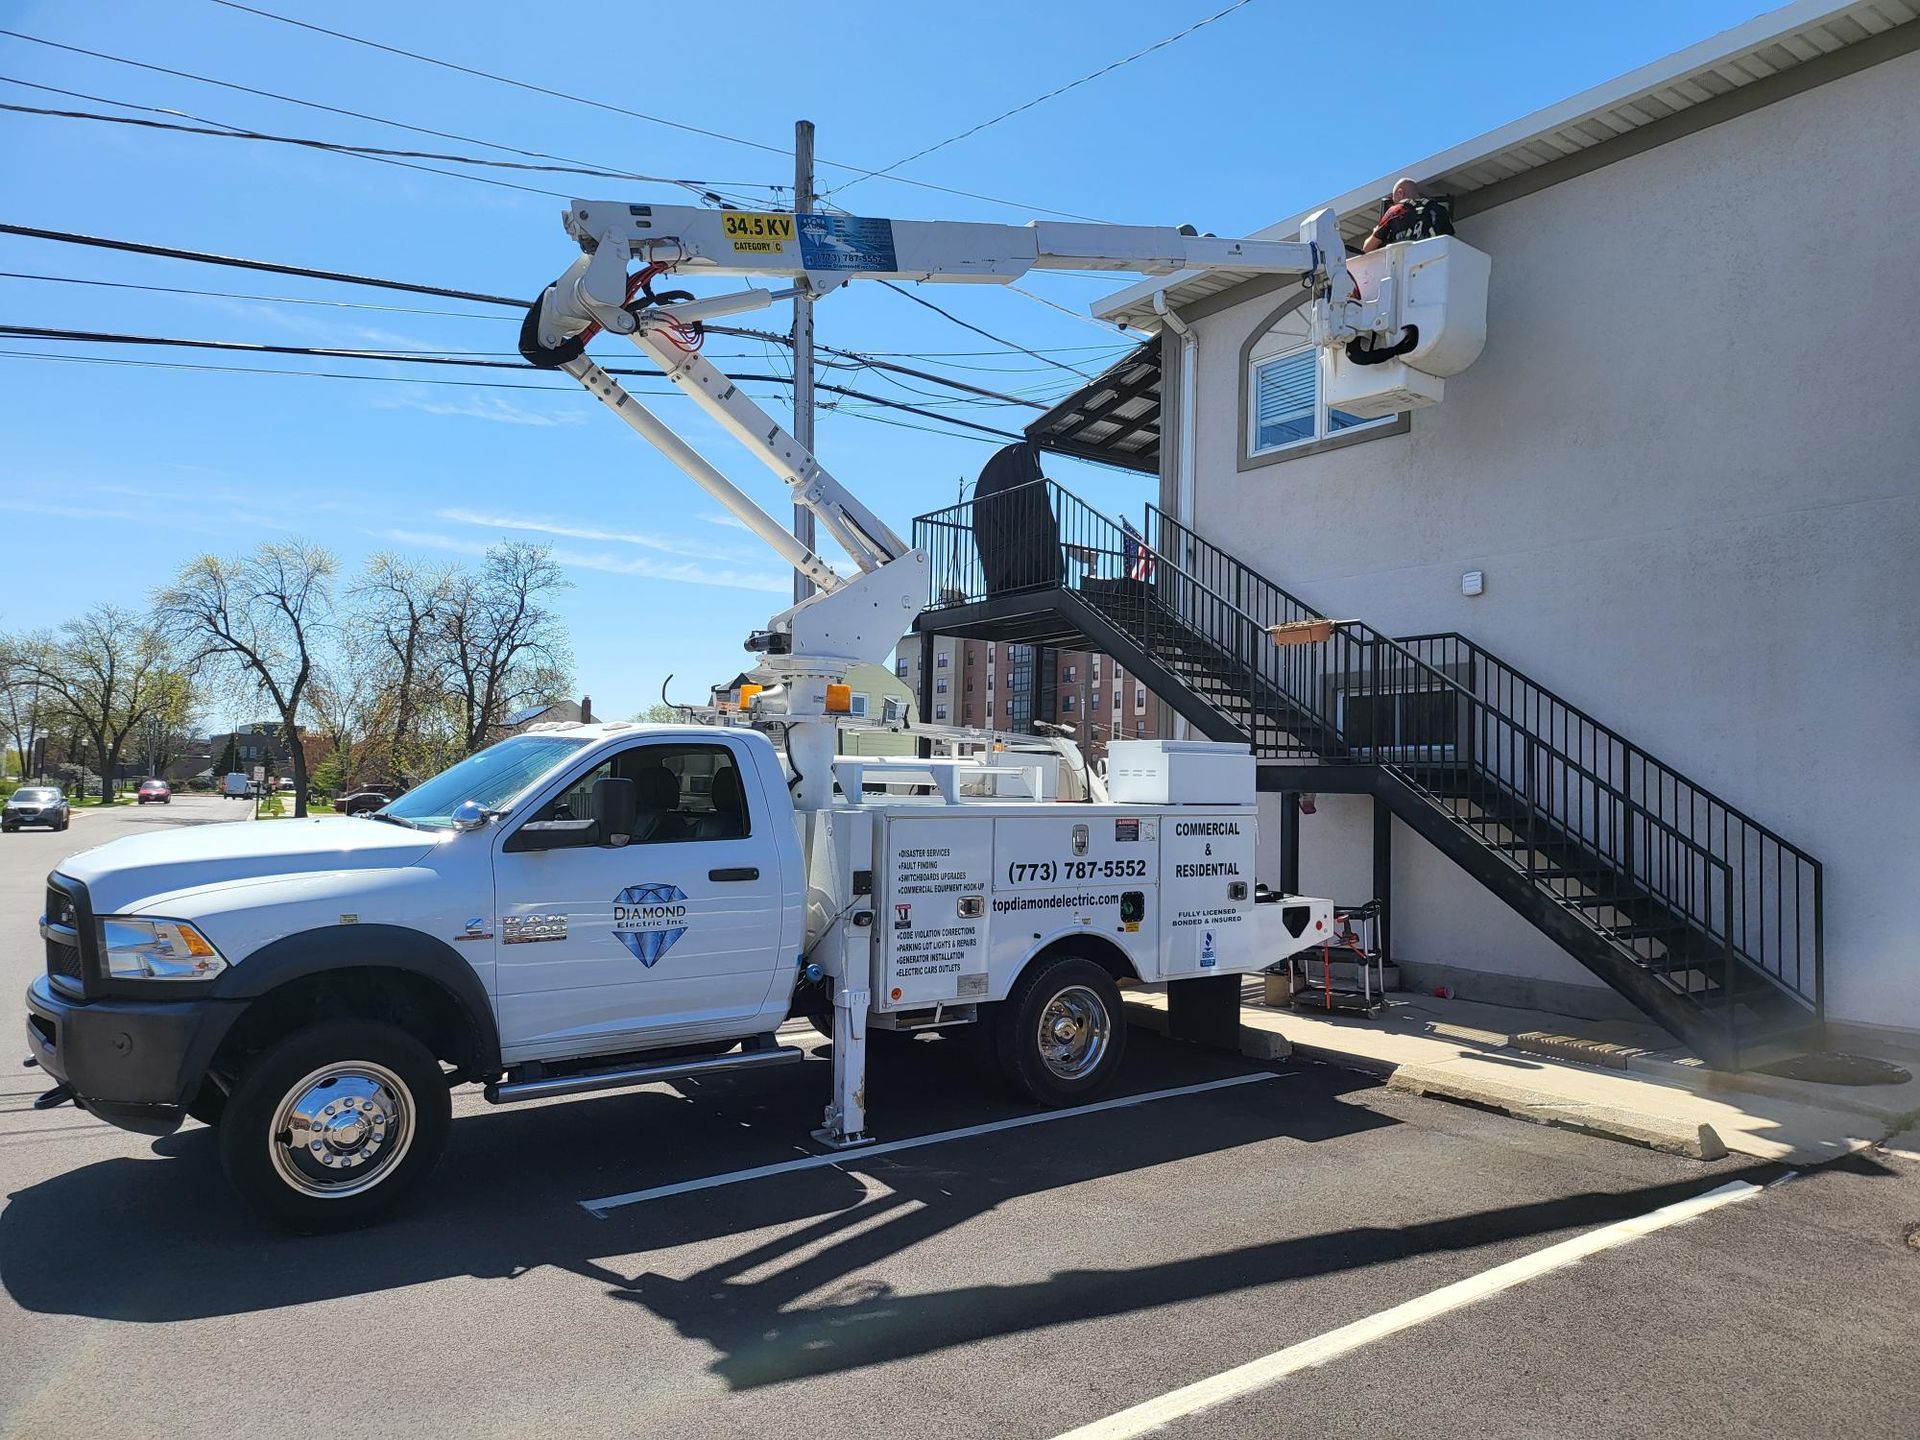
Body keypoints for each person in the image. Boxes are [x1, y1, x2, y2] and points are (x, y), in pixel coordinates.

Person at [1362, 178, 1453, 252]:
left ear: (1400, 193)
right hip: (1434, 262)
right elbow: (1451, 243)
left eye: (1394, 200)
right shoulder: (1441, 210)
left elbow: (1367, 248)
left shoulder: (1395, 211)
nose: (1394, 203)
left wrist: (1375, 232)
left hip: (1404, 265)